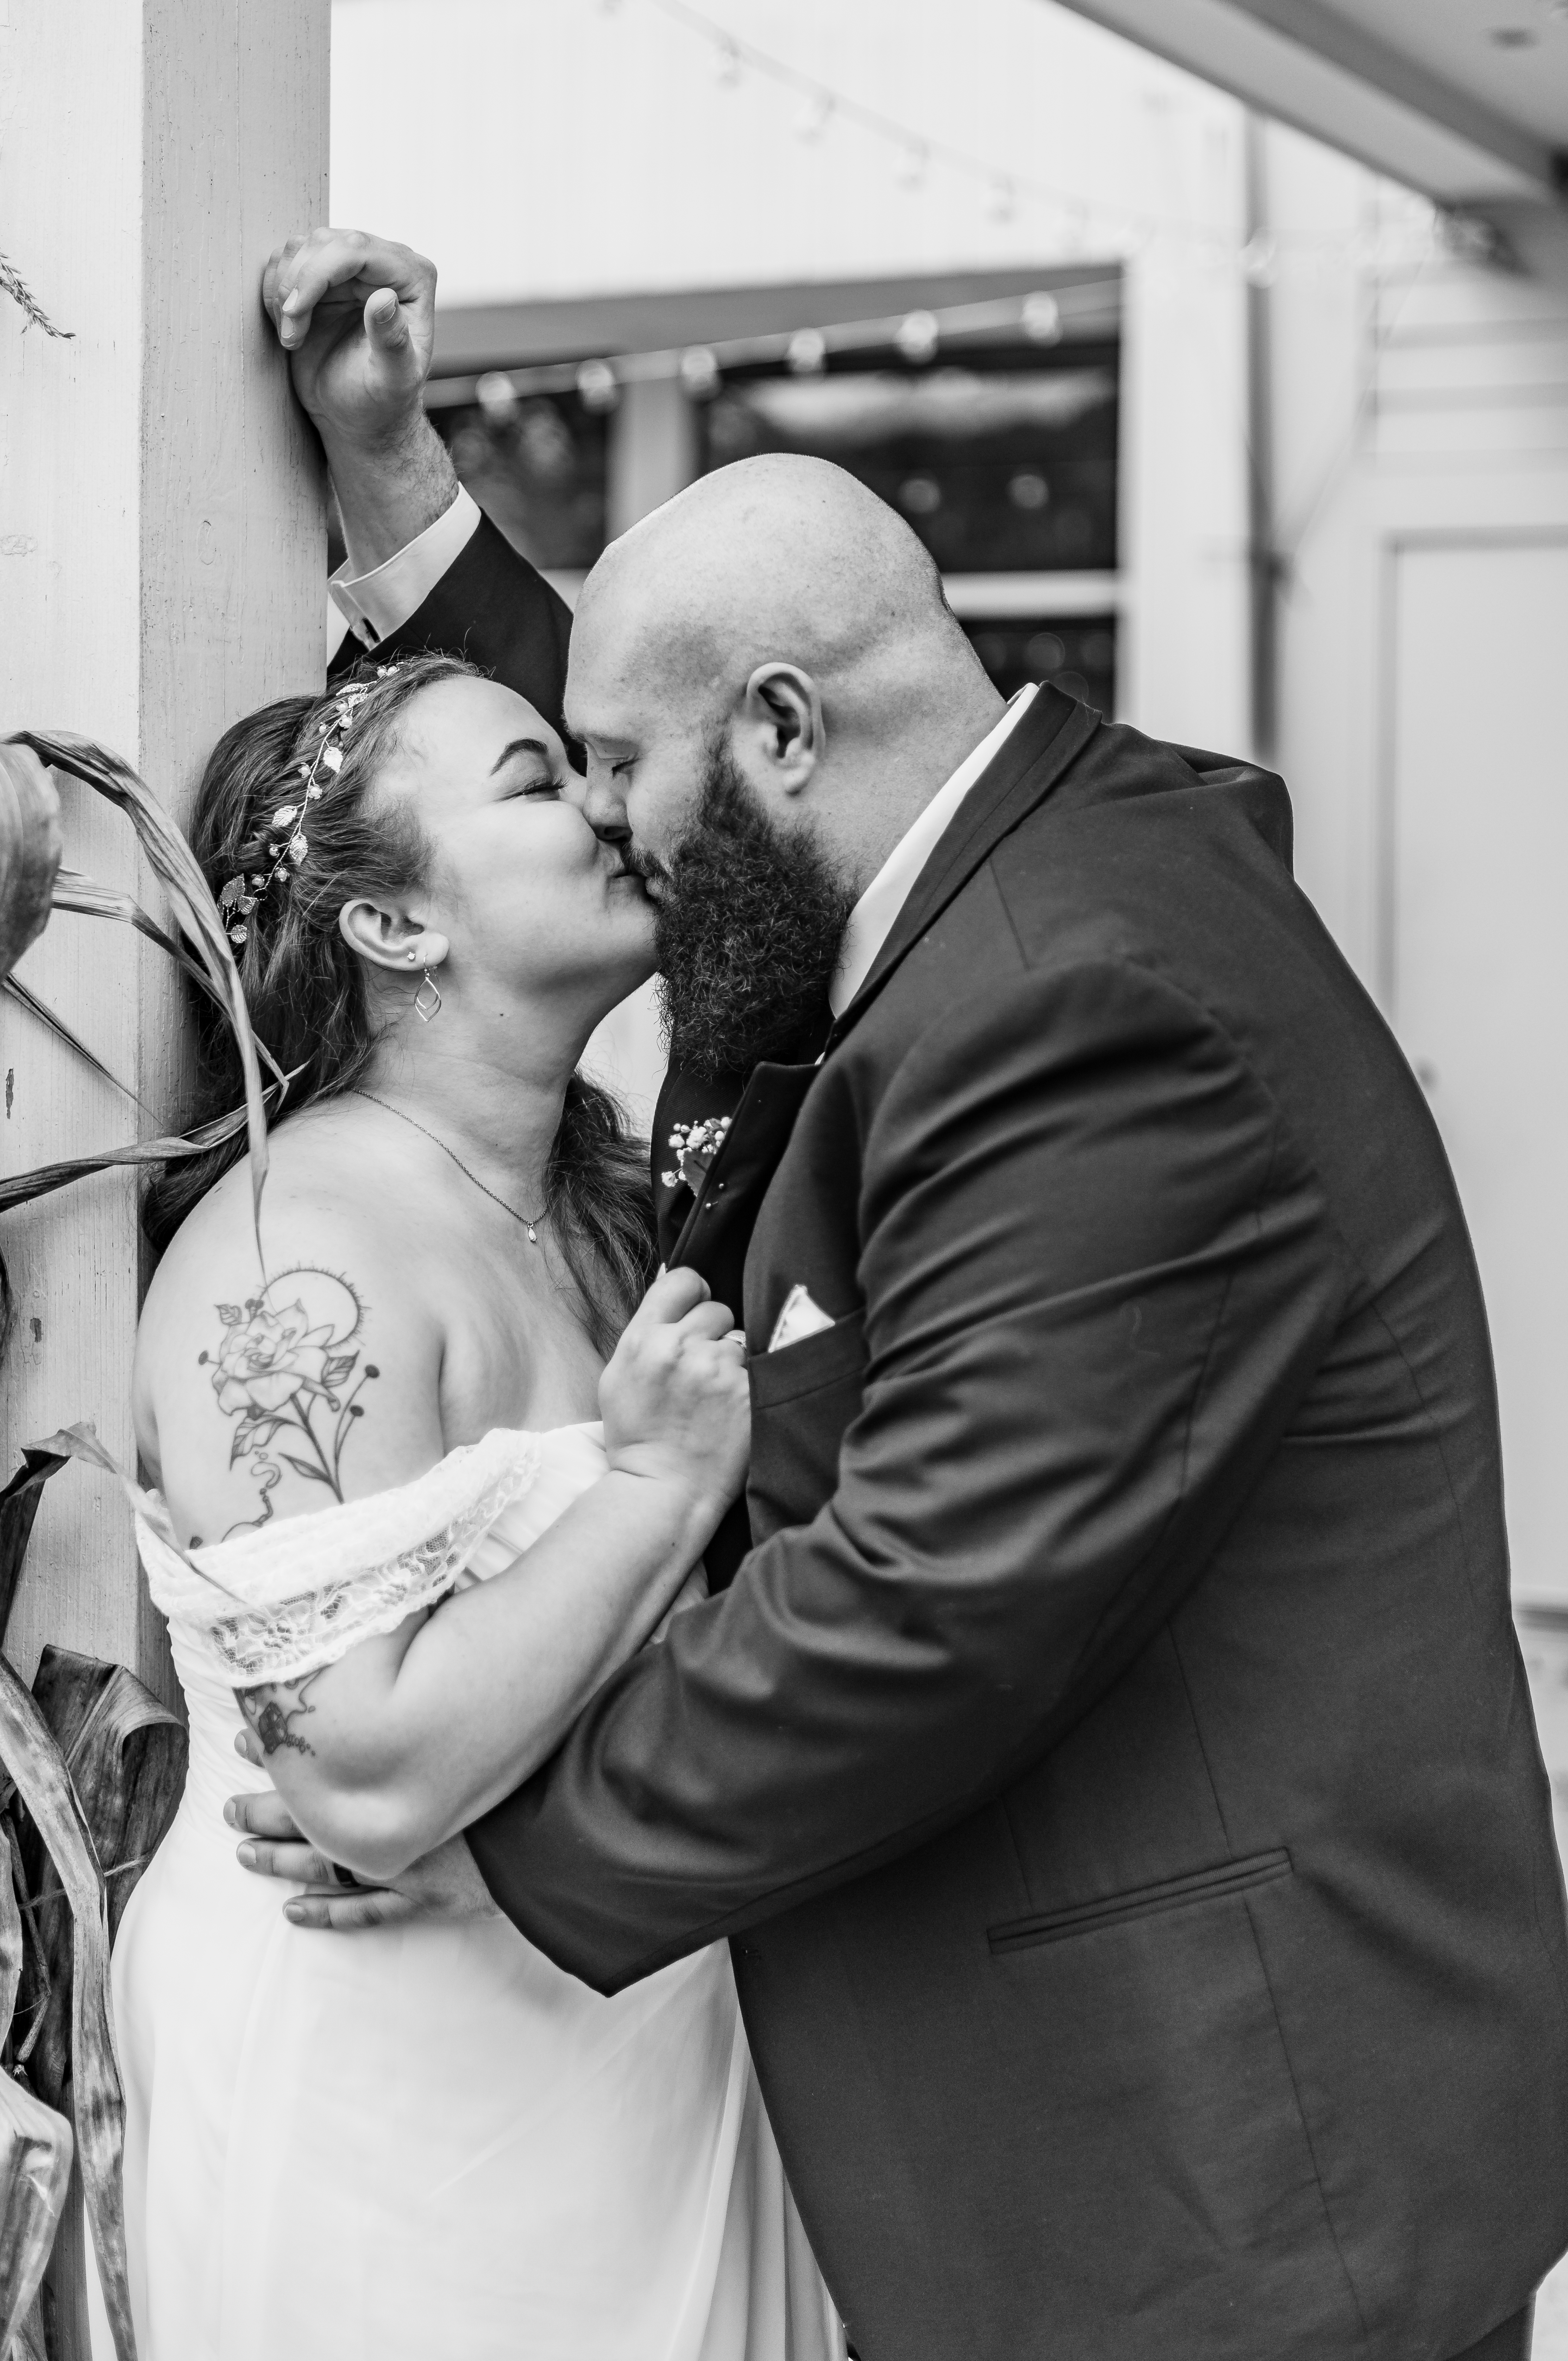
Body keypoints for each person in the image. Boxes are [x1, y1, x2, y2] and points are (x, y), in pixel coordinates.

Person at [235, 229, 1568, 2361]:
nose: (596, 828)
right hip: (1120, 2167)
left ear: (778, 733)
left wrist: (497, 1845)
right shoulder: (988, 887)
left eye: (610, 776)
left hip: (1225, 2198)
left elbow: (934, 1593)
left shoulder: (1073, 1005)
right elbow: (643, 766)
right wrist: (397, 495)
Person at [88, 651, 845, 2360]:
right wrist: (654, 1483)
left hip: (631, 2049)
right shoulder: (296, 1257)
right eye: (530, 777)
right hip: (395, 2113)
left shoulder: (606, 1208)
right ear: (395, 930)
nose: (601, 803)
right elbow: (358, 1772)